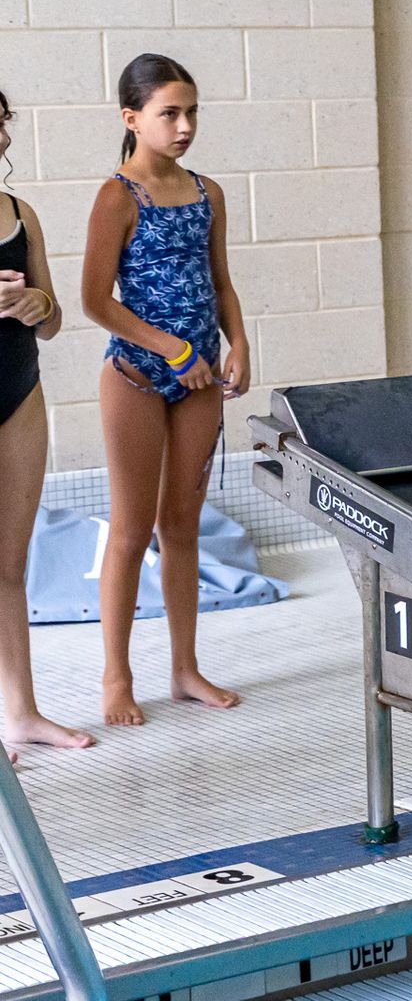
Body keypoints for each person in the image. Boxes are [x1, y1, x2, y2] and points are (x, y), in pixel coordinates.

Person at [81, 55, 248, 726]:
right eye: (168, 114)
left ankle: (185, 668)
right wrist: (171, 348)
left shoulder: (208, 192)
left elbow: (222, 280)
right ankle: (116, 677)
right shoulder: (118, 196)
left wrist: (237, 343)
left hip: (201, 378)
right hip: (138, 377)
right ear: (131, 118)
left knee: (182, 527)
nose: (184, 126)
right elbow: (96, 301)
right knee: (131, 531)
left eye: (192, 112)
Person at [0, 89, 94, 752]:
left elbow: (56, 320)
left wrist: (38, 302)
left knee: (9, 564)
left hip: (18, 395)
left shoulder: (19, 214)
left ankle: (23, 713)